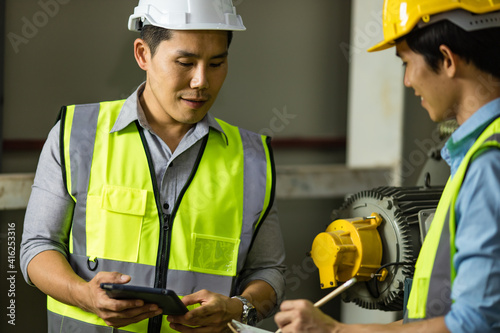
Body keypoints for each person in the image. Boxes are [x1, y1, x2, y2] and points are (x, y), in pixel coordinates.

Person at [20, 1, 286, 332]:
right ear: (143, 54)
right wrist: (83, 294)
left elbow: (269, 272)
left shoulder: (251, 158)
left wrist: (236, 308)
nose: (201, 81)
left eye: (216, 63)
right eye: (185, 62)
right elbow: (36, 247)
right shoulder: (78, 134)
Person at [275, 0, 500, 332]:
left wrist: (334, 330)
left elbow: (474, 323)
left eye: (407, 62)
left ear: (448, 60)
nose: (407, 81)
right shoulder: (476, 152)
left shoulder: (488, 163)